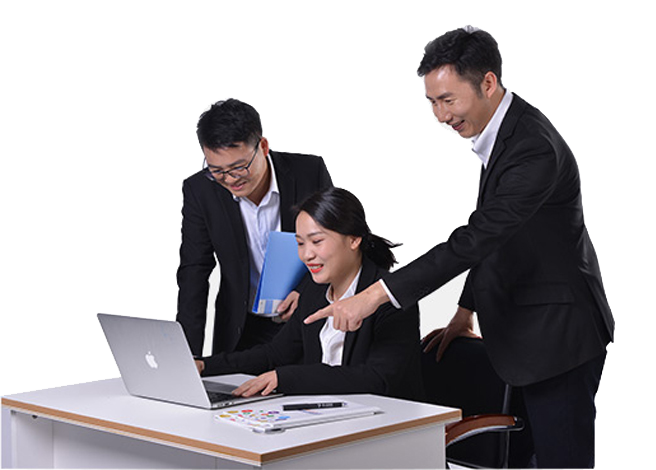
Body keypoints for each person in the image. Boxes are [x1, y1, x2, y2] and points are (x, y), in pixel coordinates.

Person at [305, 27, 614, 468]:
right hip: (525, 336)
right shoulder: (505, 134)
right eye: (432, 102)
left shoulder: (532, 148)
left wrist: (374, 295)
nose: (440, 115)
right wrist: (465, 310)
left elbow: (477, 237)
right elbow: (501, 238)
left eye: (448, 100)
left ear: (488, 82)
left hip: (559, 337)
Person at [195, 188, 423, 401]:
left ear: (354, 239)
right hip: (322, 411)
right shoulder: (314, 292)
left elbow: (378, 379)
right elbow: (275, 354)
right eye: (300, 243)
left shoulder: (388, 296)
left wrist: (285, 378)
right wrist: (205, 366)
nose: (306, 255)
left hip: (385, 419)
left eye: (316, 241)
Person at [177, 98, 333, 357]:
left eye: (239, 167)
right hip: (242, 328)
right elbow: (194, 271)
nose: (230, 179)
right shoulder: (201, 190)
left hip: (305, 320)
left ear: (263, 146)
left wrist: (306, 292)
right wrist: (186, 357)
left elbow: (336, 245)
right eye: (217, 170)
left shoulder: (309, 172)